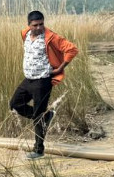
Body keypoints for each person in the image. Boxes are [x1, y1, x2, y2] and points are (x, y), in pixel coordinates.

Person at [9, 10, 79, 159]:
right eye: (35, 25)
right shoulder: (25, 34)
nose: (39, 27)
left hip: (42, 80)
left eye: (41, 24)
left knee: (37, 116)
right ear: (29, 25)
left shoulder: (50, 37)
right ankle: (46, 116)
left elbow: (71, 49)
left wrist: (61, 68)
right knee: (15, 104)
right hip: (28, 79)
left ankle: (38, 150)